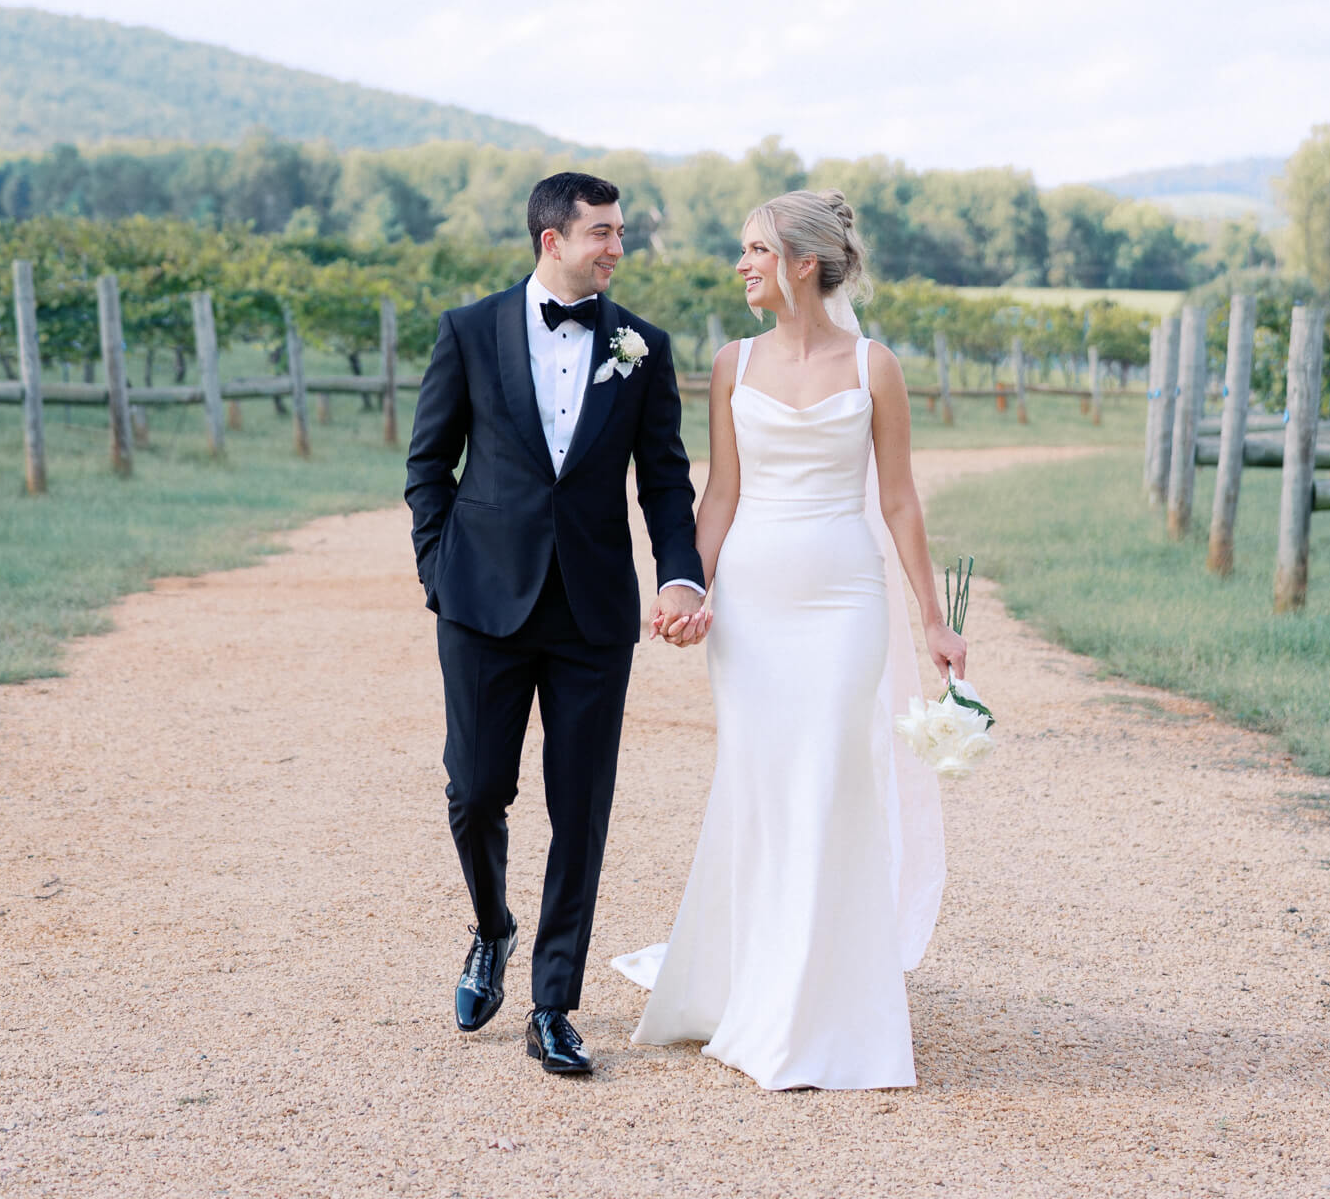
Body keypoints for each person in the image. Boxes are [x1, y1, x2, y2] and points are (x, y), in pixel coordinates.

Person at [613, 189, 964, 1090]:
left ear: (804, 263)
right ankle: (754, 981)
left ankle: (825, 1004)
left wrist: (932, 617)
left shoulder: (873, 365)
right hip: (756, 607)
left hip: (846, 599)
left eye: (756, 249)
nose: (742, 264)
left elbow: (897, 501)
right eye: (744, 250)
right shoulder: (731, 363)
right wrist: (689, 588)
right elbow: (719, 495)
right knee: (764, 784)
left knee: (831, 785)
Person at [405, 172, 707, 1076]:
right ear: (552, 240)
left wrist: (682, 574)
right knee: (474, 790)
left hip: (591, 612)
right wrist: (438, 573)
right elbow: (429, 463)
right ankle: (490, 926)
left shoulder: (640, 347)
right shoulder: (468, 330)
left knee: (579, 809)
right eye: (603, 233)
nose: (617, 248)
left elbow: (663, 478)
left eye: (619, 233)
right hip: (480, 603)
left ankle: (552, 1002)